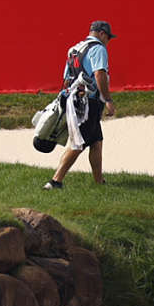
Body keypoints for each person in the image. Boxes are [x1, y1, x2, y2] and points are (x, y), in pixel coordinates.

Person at [45, 21, 116, 190]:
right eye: (108, 38)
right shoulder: (98, 48)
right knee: (79, 143)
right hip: (89, 103)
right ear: (102, 34)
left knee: (96, 141)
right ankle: (55, 181)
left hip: (76, 100)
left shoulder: (74, 49)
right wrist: (107, 99)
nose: (108, 42)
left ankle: (99, 181)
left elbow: (66, 77)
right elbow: (99, 74)